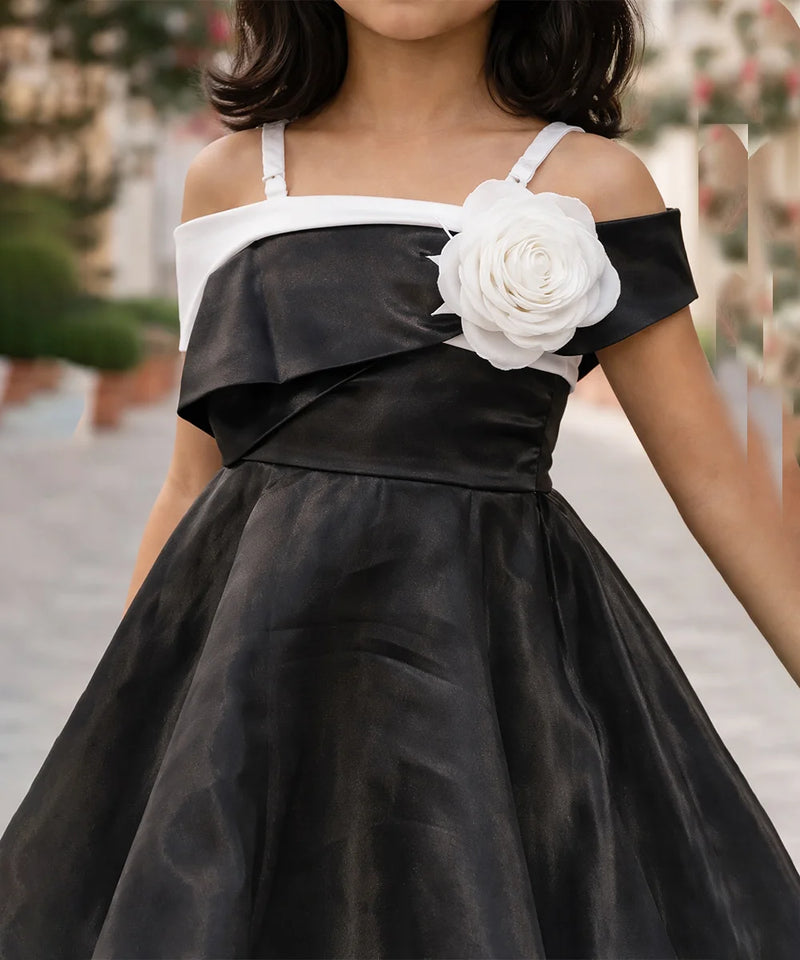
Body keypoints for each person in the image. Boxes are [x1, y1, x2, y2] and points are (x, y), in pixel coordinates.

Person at [1, 1, 800, 957]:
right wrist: (127, 731)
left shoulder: (594, 182)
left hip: (488, 687)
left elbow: (724, 484)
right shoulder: (228, 180)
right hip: (252, 694)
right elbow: (189, 483)